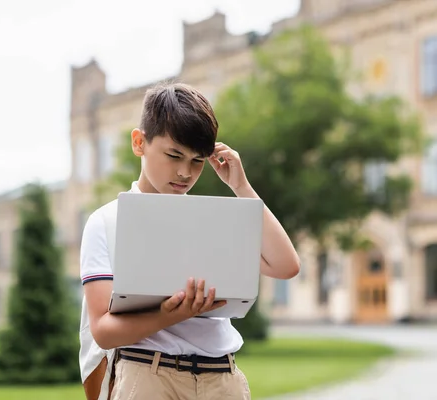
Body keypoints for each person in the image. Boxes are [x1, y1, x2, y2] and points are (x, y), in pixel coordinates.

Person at [79, 82, 300, 400]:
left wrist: (241, 186)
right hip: (149, 377)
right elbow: (103, 330)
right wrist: (172, 315)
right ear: (139, 142)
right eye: (174, 155)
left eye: (197, 161)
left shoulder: (213, 218)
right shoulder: (106, 221)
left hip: (223, 380)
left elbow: (286, 265)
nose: (185, 172)